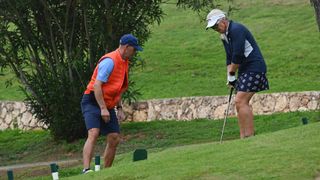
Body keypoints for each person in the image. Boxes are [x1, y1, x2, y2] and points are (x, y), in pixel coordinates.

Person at [81, 34, 143, 173]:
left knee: (114, 137)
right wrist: (103, 109)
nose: (134, 53)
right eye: (134, 49)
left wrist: (119, 107)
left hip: (108, 104)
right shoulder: (110, 62)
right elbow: (97, 86)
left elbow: (117, 89)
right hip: (92, 101)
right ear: (126, 47)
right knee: (94, 132)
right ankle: (86, 170)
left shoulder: (124, 63)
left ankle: (106, 172)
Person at [206, 9, 269, 139]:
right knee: (238, 102)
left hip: (255, 67)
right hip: (245, 70)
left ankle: (250, 136)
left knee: (241, 100)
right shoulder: (224, 36)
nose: (215, 29)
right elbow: (229, 58)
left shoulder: (236, 30)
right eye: (212, 28)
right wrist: (229, 78)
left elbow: (238, 55)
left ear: (223, 20)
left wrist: (232, 73)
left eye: (215, 26)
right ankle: (242, 137)